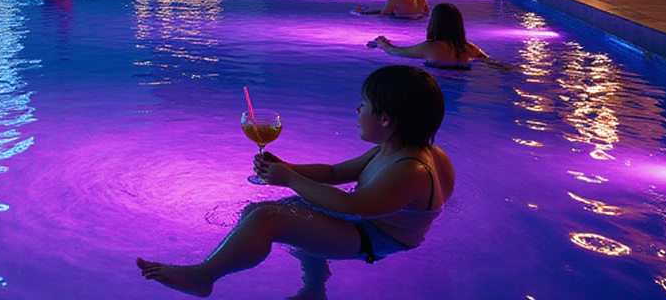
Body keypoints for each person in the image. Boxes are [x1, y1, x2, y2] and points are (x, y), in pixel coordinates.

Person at [137, 65, 454, 298]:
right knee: (256, 212)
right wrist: (287, 167)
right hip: (369, 224)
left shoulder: (410, 170)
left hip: (376, 239)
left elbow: (351, 204)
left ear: (385, 119)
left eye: (364, 103)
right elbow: (334, 173)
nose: (357, 109)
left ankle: (203, 276)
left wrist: (289, 178)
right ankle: (314, 289)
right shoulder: (399, 150)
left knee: (267, 218)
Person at [367, 2, 490, 69]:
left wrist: (382, 43)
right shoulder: (469, 47)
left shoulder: (430, 47)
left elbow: (395, 52)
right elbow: (490, 62)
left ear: (434, 23)